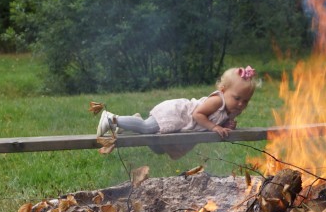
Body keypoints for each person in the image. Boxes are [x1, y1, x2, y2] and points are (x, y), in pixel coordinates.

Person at [96, 66, 258, 158]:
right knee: (146, 128)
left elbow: (219, 120)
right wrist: (215, 127)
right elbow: (198, 115)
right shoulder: (217, 100)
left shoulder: (231, 108)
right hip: (177, 113)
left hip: (183, 123)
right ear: (223, 90)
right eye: (237, 98)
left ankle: (133, 122)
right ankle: (110, 118)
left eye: (246, 101)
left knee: (158, 148)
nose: (241, 104)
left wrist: (227, 123)